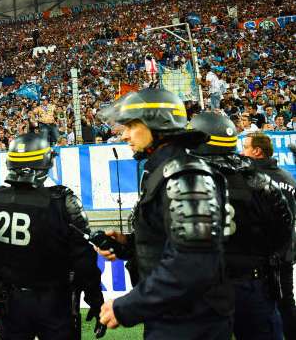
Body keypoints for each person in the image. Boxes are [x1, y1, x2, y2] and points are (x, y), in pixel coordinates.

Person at [95, 88, 233, 339]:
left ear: (158, 124)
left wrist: (126, 306)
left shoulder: (186, 175)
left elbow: (194, 262)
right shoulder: (164, 170)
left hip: (191, 321)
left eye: (131, 126)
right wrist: (129, 244)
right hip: (172, 314)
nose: (124, 135)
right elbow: (172, 243)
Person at [0, 132, 105, 340]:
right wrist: (96, 301)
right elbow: (84, 262)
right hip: (56, 304)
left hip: (12, 302)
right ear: (46, 162)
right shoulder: (63, 202)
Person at [191, 113, 293, 340]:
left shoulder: (186, 180)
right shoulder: (256, 178)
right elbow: (284, 227)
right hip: (253, 282)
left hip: (206, 286)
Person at [242, 132, 296, 339]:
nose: (241, 151)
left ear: (256, 151)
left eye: (245, 147)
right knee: (284, 301)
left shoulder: (250, 180)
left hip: (263, 257)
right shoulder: (287, 177)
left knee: (270, 304)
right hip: (283, 254)